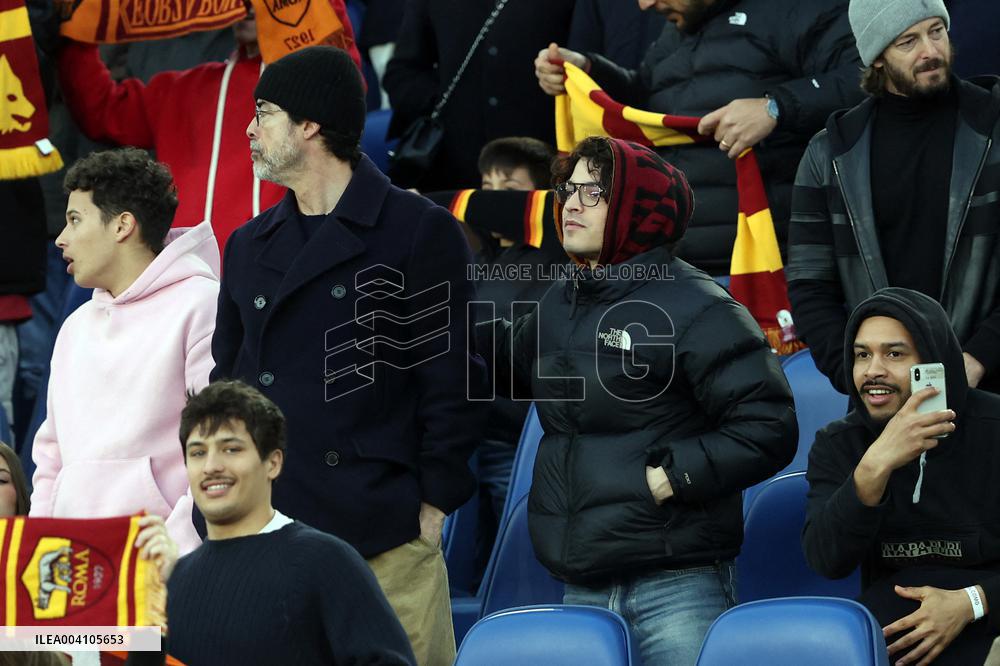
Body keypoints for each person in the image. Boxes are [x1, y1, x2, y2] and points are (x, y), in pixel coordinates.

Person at [211, 46, 486, 664]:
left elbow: (455, 375)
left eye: (265, 112)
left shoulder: (418, 228)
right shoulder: (249, 244)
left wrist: (434, 502)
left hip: (383, 536)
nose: (249, 129)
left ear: (309, 124)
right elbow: (225, 382)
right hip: (270, 535)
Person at [483, 136, 797, 665]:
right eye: (569, 188)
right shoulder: (563, 298)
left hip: (677, 586)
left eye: (594, 192)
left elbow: (769, 424)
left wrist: (674, 476)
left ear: (635, 210)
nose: (572, 204)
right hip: (582, 584)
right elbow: (514, 366)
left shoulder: (700, 305)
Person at [533, 0, 863, 275]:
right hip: (679, 264)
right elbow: (648, 99)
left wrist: (775, 107)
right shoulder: (678, 29)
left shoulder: (793, 8)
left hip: (776, 265)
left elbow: (866, 76)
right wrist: (589, 71)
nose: (644, 4)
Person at [787, 0, 1000, 396]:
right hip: (884, 404)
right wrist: (861, 376)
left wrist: (979, 358)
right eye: (908, 41)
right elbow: (810, 283)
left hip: (990, 387)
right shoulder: (830, 154)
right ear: (877, 57)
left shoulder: (993, 124)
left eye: (937, 31)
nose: (931, 51)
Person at [144, 380, 414, 666]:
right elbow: (103, 648)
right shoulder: (176, 579)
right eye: (198, 452)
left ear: (273, 463)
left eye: (231, 449)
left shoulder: (325, 560)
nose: (211, 466)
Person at [29, 148, 218, 554]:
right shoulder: (74, 327)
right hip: (72, 569)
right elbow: (50, 458)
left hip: (164, 565)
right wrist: (41, 554)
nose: (61, 237)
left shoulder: (202, 303)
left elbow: (217, 441)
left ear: (122, 225)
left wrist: (178, 550)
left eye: (75, 220)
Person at [54, 1, 360, 252]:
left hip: (284, 274)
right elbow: (99, 110)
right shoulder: (184, 88)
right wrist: (78, 26)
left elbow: (339, 59)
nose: (249, 5)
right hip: (186, 285)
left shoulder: (313, 87)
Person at [802, 288, 1000, 665]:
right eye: (862, 355)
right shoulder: (839, 446)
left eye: (894, 353)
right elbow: (828, 561)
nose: (873, 369)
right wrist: (873, 467)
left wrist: (972, 603)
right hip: (896, 643)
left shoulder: (994, 429)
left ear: (934, 362)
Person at [382, 0, 576, 190]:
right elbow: (401, 75)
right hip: (454, 168)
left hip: (541, 166)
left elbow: (591, 68)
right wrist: (450, 110)